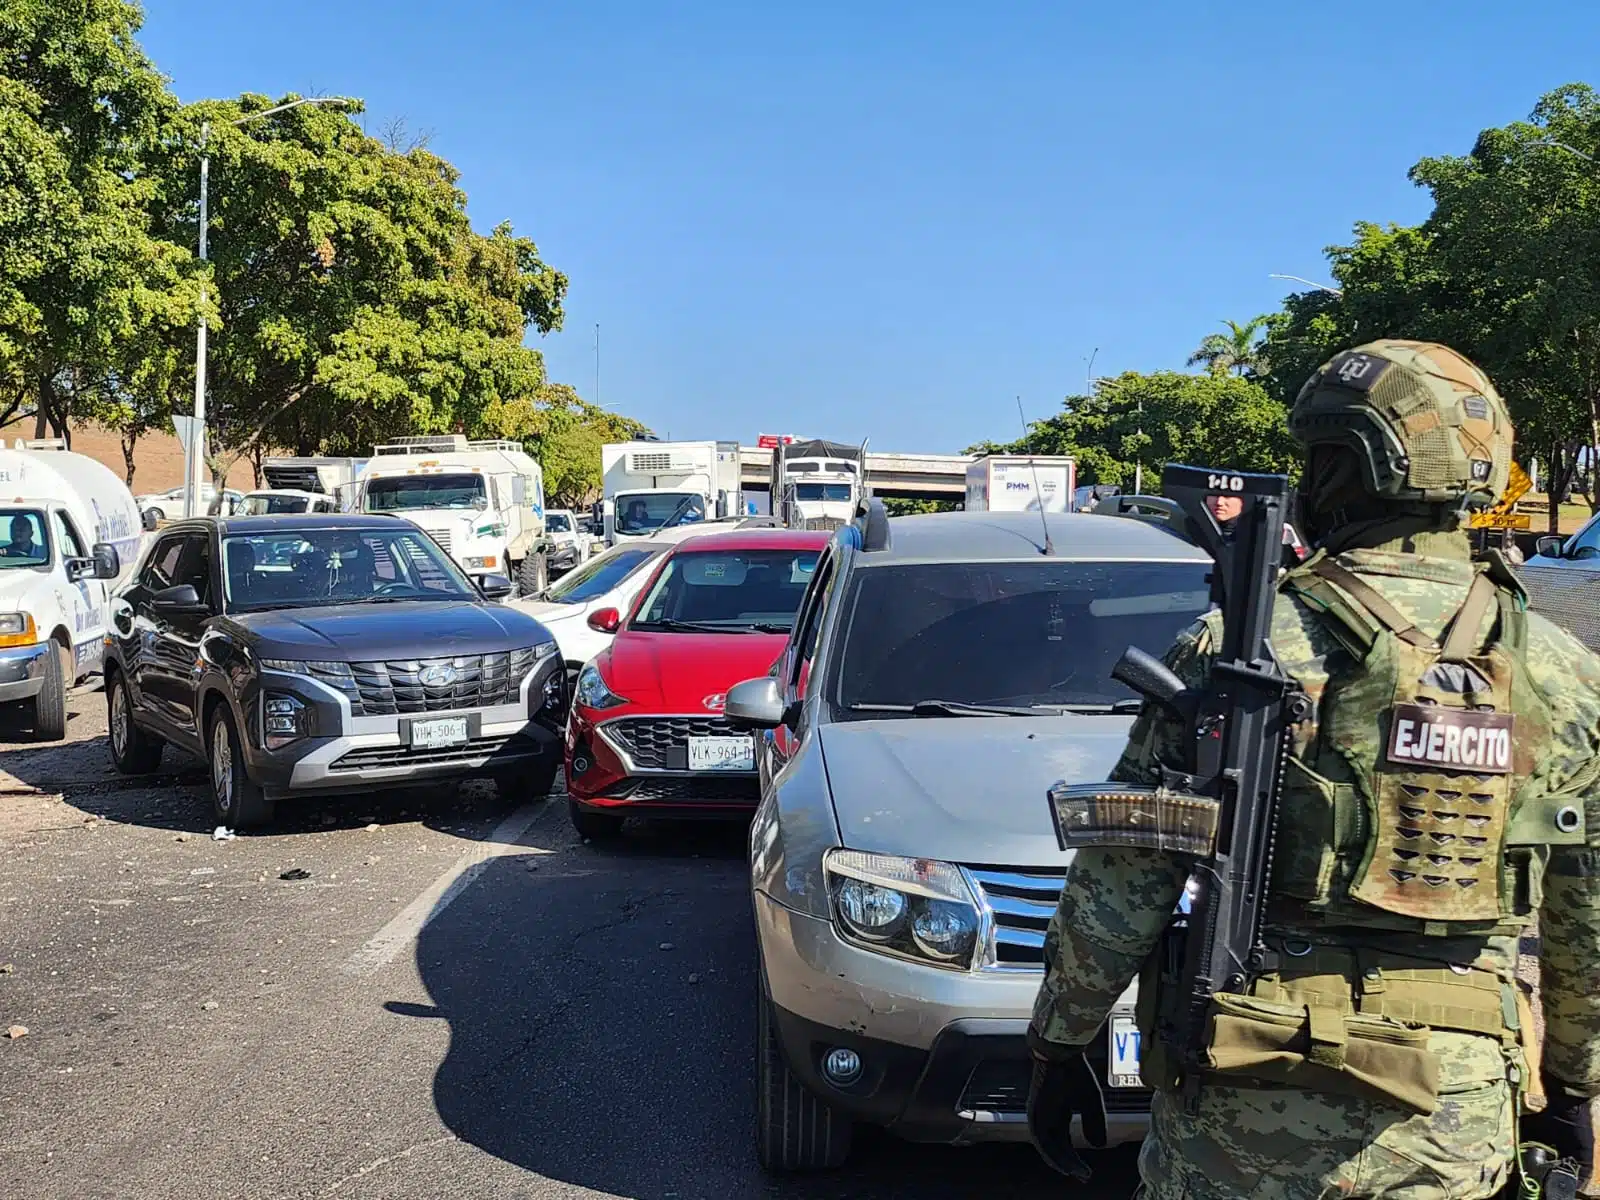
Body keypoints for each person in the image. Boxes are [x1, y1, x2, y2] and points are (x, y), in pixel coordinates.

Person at [1027, 340, 1600, 1199]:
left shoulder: (1244, 646)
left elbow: (1127, 874)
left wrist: (1060, 1040)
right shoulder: (1562, 672)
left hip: (1246, 1088)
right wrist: (1575, 1083)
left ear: (1345, 467)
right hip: (1452, 1112)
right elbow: (1584, 915)